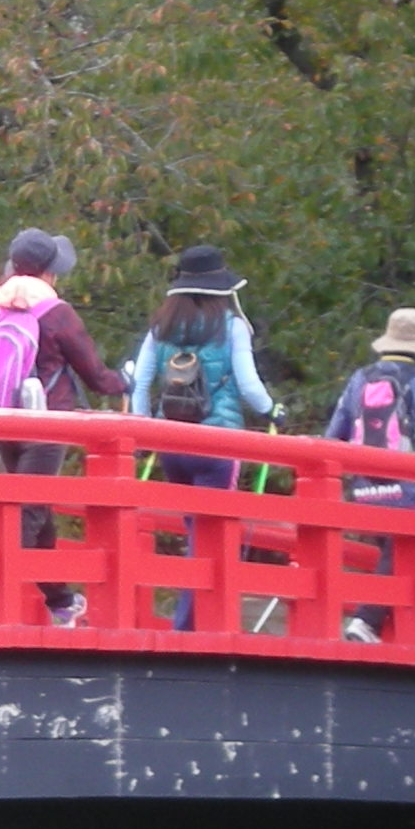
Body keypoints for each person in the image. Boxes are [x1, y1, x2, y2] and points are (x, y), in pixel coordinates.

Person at [0, 227, 121, 628]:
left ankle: (60, 601)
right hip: (47, 423)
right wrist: (124, 383)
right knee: (30, 511)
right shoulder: (57, 313)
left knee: (35, 511)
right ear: (49, 271)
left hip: (6, 421)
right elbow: (95, 375)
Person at [122, 245, 275, 632]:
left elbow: (139, 382)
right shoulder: (231, 326)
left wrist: (144, 428)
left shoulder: (162, 327)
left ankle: (193, 622)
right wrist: (273, 411)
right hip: (217, 444)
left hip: (171, 441)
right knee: (210, 539)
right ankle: (193, 628)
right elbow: (249, 384)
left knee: (195, 531)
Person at [322, 307, 415, 644]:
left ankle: (381, 632)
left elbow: (334, 435)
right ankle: (369, 623)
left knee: (394, 556)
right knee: (408, 554)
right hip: (409, 492)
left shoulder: (360, 379)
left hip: (365, 489)